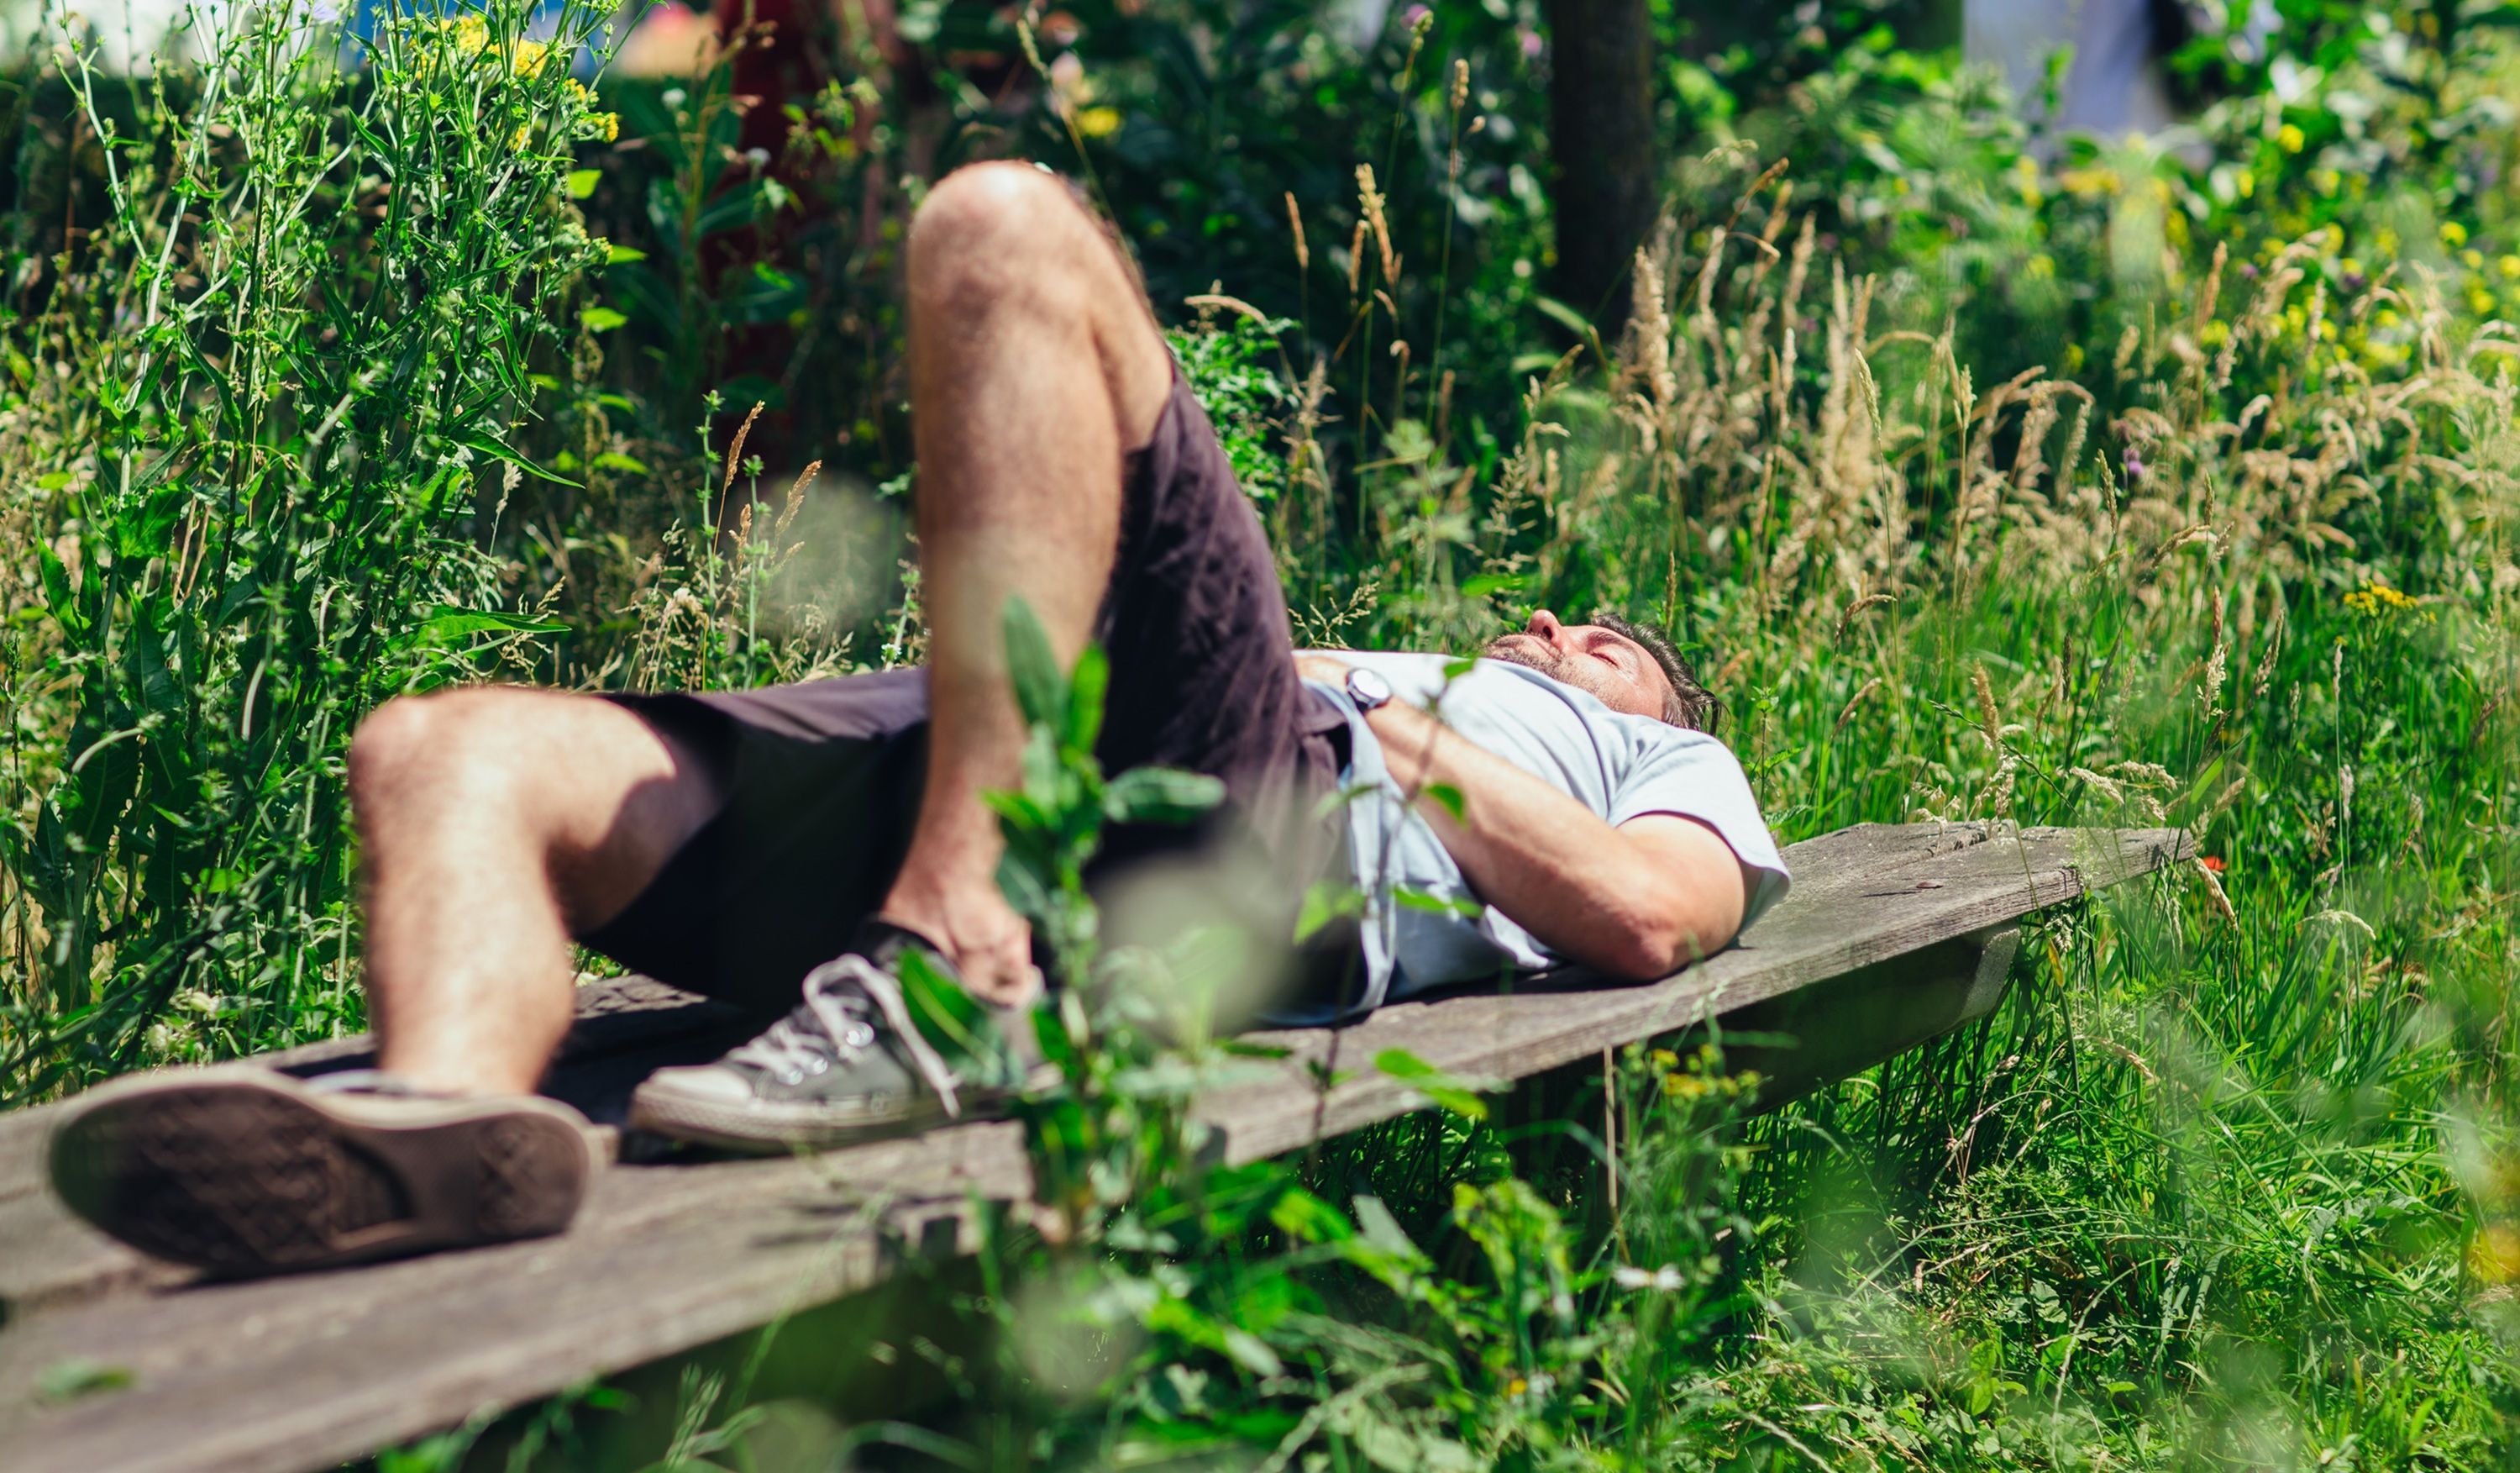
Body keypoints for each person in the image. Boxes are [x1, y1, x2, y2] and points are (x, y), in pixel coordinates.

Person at [45, 162, 1789, 1276]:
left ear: (1658, 713)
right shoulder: (1383, 657)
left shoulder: (1656, 763)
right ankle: (439, 1130)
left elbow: (1646, 917)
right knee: (440, 747)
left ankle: (958, 950)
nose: (1557, 625)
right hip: (980, 756)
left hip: (1252, 831)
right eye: (1550, 618)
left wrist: (1387, 717)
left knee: (1003, 226)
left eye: (1608, 642)